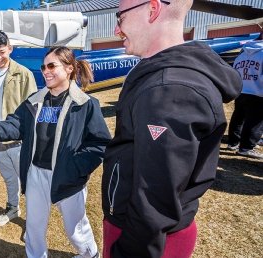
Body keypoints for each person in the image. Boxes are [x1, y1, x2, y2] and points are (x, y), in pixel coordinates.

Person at [102, 1, 243, 257]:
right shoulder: (167, 79)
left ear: (152, 9)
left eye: (119, 17)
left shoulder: (167, 91)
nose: (116, 30)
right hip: (155, 232)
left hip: (143, 239)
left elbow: (154, 199)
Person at [0, 46, 111, 258]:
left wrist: (75, 168)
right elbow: (15, 125)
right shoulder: (35, 101)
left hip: (68, 177)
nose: (45, 71)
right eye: (43, 66)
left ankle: (89, 254)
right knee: (34, 227)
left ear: (69, 68)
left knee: (75, 229)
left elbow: (99, 143)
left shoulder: (85, 104)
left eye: (52, 66)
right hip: (36, 175)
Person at [0, 29, 38, 227]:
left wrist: (30, 137)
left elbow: (32, 110)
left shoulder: (24, 75)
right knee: (9, 177)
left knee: (28, 179)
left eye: (2, 51)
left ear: (10, 49)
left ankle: (33, 220)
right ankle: (13, 208)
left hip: (18, 139)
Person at [226, 34, 263, 159]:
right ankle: (246, 147)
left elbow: (236, 70)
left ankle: (233, 142)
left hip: (242, 90)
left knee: (238, 117)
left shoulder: (242, 53)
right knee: (255, 122)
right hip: (258, 92)